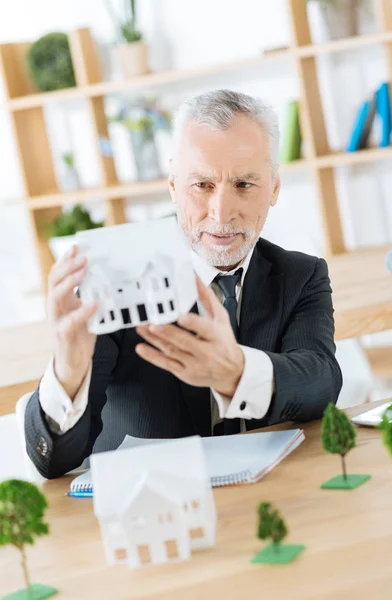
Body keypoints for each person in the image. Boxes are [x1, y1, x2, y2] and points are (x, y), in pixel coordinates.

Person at [25, 90, 342, 479]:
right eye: (202, 185)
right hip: (148, 510)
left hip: (267, 501)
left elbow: (322, 385)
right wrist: (68, 370)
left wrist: (237, 374)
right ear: (174, 185)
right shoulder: (117, 281)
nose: (221, 213)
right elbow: (54, 460)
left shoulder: (301, 275)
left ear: (274, 188)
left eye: (244, 184)